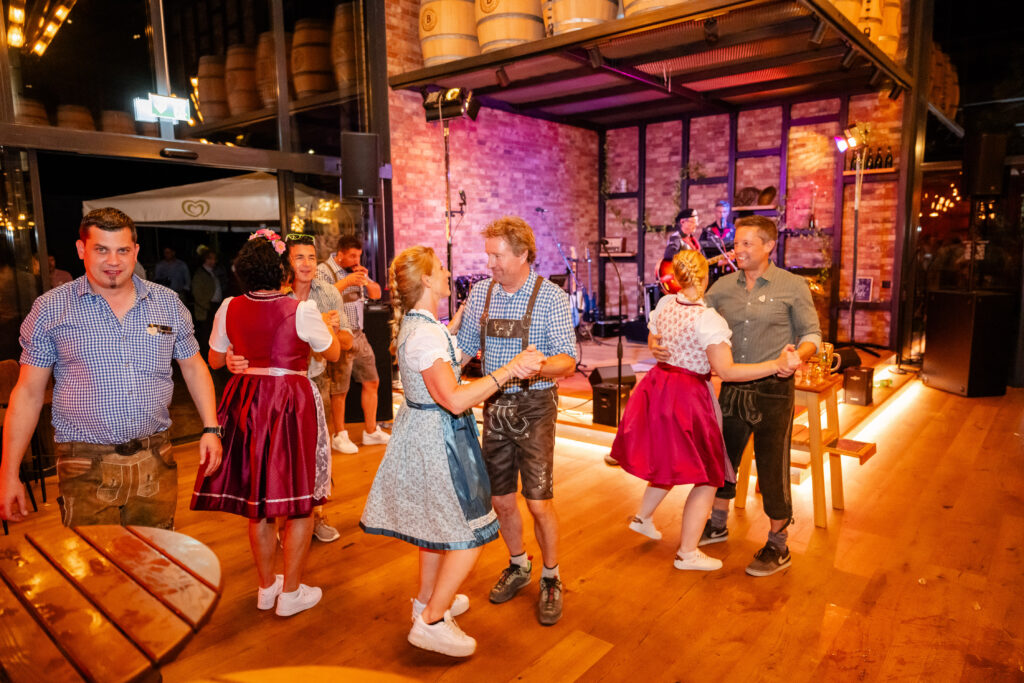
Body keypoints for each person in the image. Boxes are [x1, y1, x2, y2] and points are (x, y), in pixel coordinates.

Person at [361, 246, 543, 657]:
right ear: (426, 279)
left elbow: (443, 365)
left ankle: (428, 601)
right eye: (441, 268)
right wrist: (510, 369)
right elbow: (455, 400)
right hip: (438, 439)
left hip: (424, 431)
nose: (447, 273)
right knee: (470, 533)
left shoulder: (420, 323)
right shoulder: (425, 334)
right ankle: (431, 621)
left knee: (434, 529)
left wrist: (460, 323)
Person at [0, 207, 222, 528]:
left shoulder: (167, 304)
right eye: (101, 249)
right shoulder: (51, 309)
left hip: (156, 459)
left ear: (136, 251)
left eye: (122, 250)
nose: (113, 261)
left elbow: (193, 367)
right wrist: (9, 474)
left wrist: (211, 428)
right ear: (82, 249)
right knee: (95, 559)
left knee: (157, 555)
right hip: (84, 465)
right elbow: (28, 393)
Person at [612, 250, 800, 571]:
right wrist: (775, 364)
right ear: (705, 277)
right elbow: (727, 371)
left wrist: (656, 345)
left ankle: (643, 517)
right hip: (687, 396)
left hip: (659, 388)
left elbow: (654, 334)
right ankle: (687, 553)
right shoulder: (707, 319)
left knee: (667, 459)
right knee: (709, 475)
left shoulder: (665, 304)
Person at [654, 215, 820, 577]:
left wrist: (798, 357)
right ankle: (717, 523)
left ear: (768, 246)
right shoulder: (723, 287)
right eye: (736, 243)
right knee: (721, 460)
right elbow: (689, 314)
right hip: (731, 388)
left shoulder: (792, 286)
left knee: (772, 466)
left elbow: (812, 334)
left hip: (774, 391)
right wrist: (656, 341)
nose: (737, 250)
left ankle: (778, 543)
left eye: (746, 243)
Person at [191, 229, 342, 617]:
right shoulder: (301, 310)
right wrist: (329, 326)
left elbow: (214, 359)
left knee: (257, 499)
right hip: (288, 403)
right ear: (281, 271)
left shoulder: (229, 306)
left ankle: (265, 587)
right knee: (299, 500)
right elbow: (334, 353)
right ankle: (290, 593)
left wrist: (235, 358)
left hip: (246, 402)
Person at [456, 216, 577, 626]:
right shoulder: (481, 293)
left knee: (539, 502)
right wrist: (436, 373)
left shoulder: (551, 297)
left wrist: (539, 366)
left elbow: (568, 359)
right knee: (502, 499)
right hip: (494, 405)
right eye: (488, 255)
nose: (489, 264)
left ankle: (551, 576)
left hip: (536, 406)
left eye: (497, 255)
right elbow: (464, 349)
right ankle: (519, 563)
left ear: (523, 254)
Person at [225, 232, 354, 543]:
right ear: (286, 263)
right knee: (276, 457)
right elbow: (239, 340)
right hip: (275, 388)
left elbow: (347, 342)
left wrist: (332, 329)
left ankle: (315, 515)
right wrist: (232, 357)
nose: (307, 264)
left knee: (315, 455)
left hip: (315, 382)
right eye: (299, 257)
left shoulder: (329, 293)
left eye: (312, 257)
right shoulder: (271, 292)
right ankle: (280, 519)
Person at [317, 234, 389, 452]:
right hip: (339, 336)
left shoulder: (356, 271)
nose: (357, 260)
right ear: (340, 254)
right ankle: (339, 435)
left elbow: (376, 294)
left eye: (359, 255)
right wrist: (347, 282)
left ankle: (371, 431)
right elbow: (321, 298)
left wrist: (367, 280)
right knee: (339, 389)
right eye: (352, 256)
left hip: (359, 334)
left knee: (372, 381)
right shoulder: (324, 270)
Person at [192, 248, 226, 356]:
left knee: (213, 334)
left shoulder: (212, 272)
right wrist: (208, 307)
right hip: (206, 309)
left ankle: (211, 356)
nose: (213, 261)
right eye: (210, 259)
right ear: (204, 260)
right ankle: (205, 357)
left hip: (214, 306)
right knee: (205, 335)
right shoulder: (200, 274)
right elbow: (197, 294)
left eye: (214, 259)